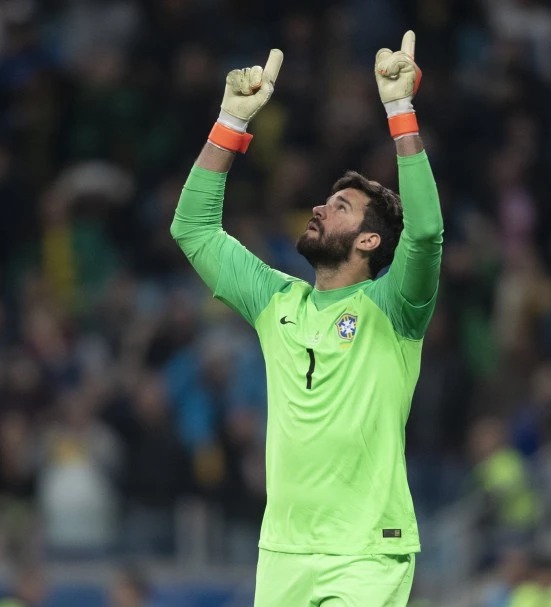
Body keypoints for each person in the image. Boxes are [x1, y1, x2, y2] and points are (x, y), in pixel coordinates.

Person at [170, 30, 443, 606]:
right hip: (283, 554)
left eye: (339, 206)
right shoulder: (276, 302)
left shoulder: (395, 308)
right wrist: (231, 122)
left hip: (367, 552)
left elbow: (425, 232)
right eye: (326, 199)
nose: (320, 206)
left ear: (369, 239)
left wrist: (399, 110)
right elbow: (192, 228)